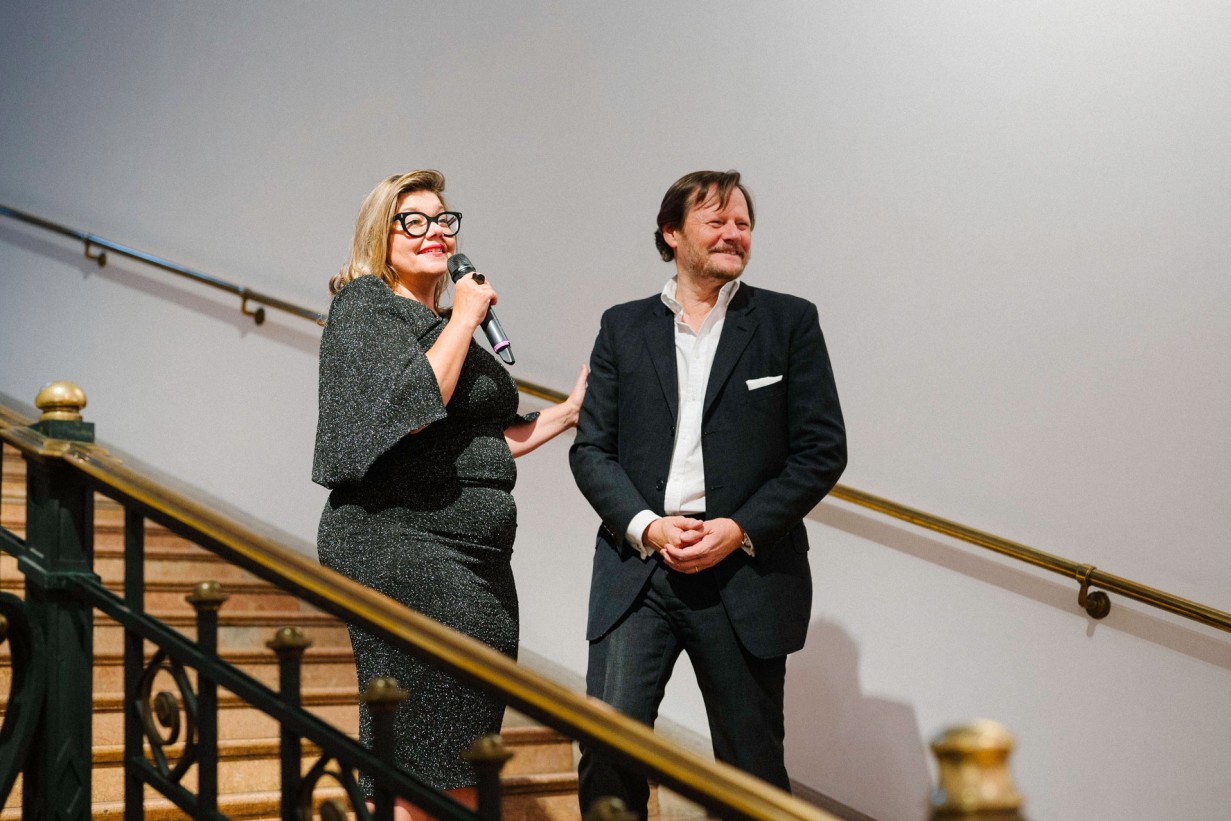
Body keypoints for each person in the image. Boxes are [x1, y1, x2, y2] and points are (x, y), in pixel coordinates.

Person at [569, 169, 847, 817]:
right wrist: (645, 524)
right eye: (716, 220)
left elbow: (820, 450)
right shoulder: (622, 327)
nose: (733, 233)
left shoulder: (787, 322)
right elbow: (590, 450)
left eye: (743, 223)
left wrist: (739, 528)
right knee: (609, 756)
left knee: (749, 773)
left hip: (741, 575)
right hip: (637, 569)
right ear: (670, 233)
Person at [311, 169, 586, 820]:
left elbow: (483, 438)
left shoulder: (439, 322)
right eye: (413, 220)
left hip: (472, 552)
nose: (433, 231)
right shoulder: (366, 306)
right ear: (382, 236)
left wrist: (571, 411)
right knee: (426, 748)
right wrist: (464, 317)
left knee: (452, 739)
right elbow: (410, 406)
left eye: (442, 219)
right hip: (400, 539)